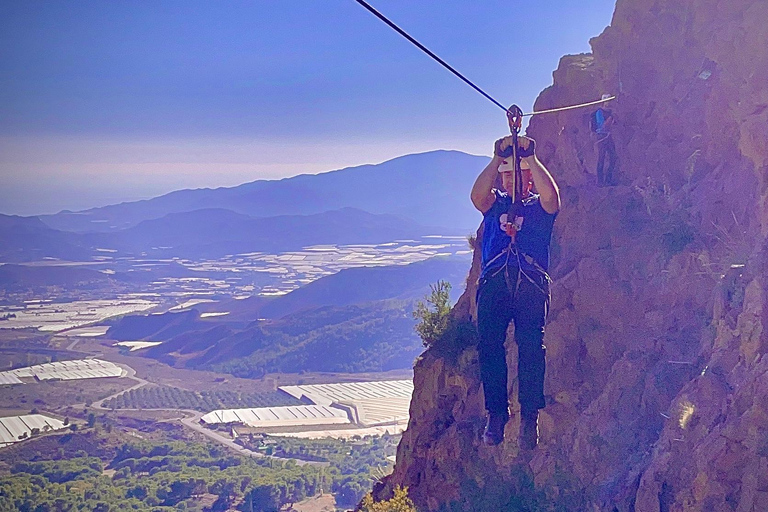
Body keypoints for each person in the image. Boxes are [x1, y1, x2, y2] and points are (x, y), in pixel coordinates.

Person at [470, 132, 560, 448]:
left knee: (531, 347)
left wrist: (531, 159)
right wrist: (497, 158)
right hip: (496, 279)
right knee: (489, 345)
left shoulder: (540, 208)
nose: (511, 182)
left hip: (529, 282)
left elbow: (552, 197)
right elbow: (477, 196)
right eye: (507, 177)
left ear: (530, 180)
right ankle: (497, 414)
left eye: (517, 176)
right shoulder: (495, 205)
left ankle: (529, 418)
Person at [590, 107, 617, 186]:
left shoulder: (609, 112)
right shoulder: (599, 112)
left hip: (608, 136)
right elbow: (602, 126)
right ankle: (600, 181)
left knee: (613, 157)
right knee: (601, 158)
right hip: (601, 136)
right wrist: (610, 118)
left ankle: (608, 179)